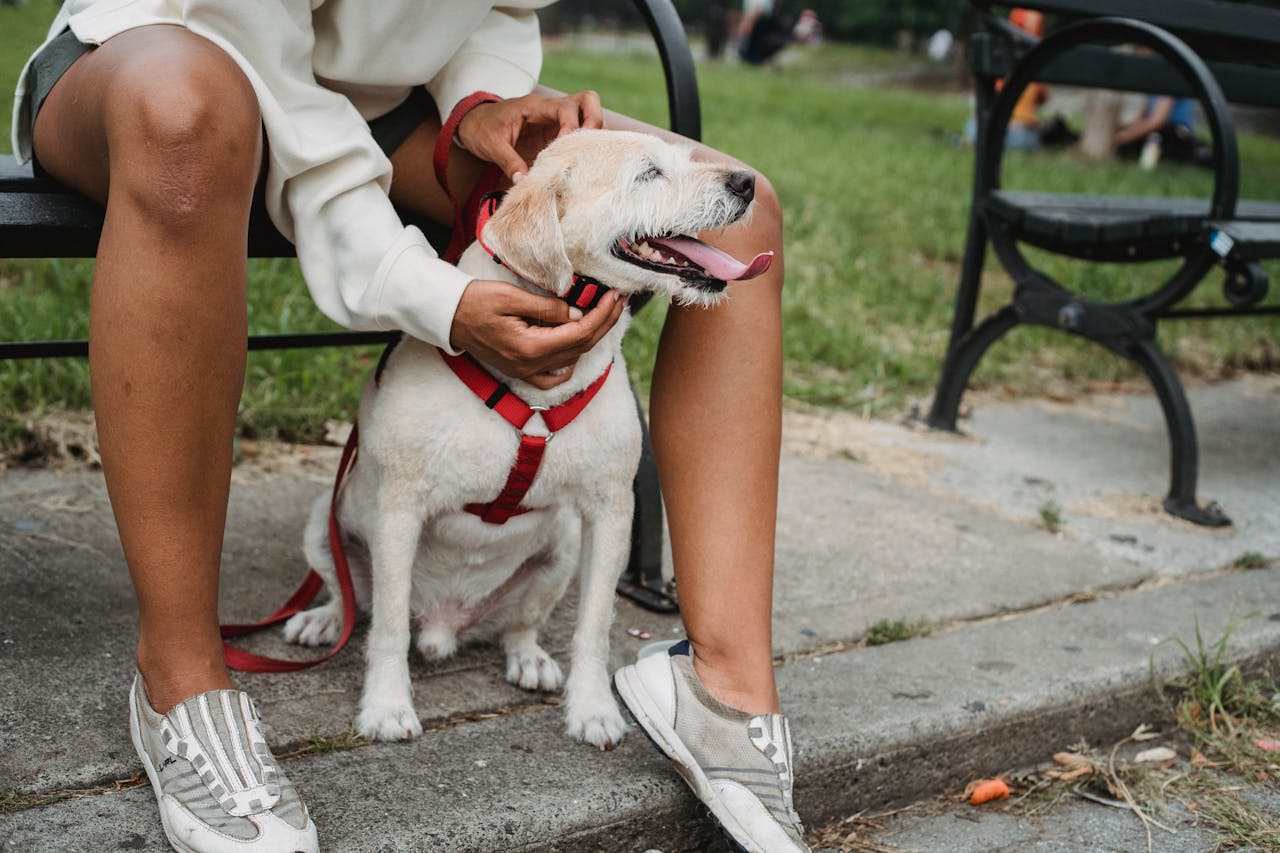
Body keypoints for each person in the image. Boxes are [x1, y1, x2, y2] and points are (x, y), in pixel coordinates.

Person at [11, 2, 804, 852]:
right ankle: (177, 678)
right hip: (174, 50)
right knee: (190, 123)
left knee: (743, 207)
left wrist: (478, 100)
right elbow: (254, 55)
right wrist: (440, 298)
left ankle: (723, 686)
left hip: (376, 103)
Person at [1115, 95, 1213, 168]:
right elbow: (1142, 119)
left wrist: (1121, 138)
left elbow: (1156, 121)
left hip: (1174, 133)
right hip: (1155, 133)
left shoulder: (1171, 80)